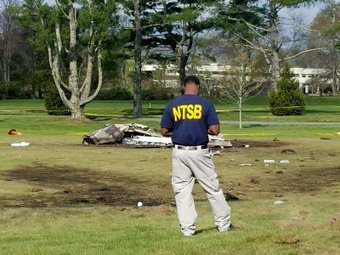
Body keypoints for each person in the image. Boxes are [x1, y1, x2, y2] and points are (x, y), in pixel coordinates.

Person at [160, 75, 231, 237]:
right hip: (199, 152)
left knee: (182, 191)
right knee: (212, 188)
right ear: (198, 86)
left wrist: (179, 129)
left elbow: (164, 131)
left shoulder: (172, 105)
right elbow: (215, 130)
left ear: (184, 87)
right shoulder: (205, 105)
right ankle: (224, 225)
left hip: (179, 152)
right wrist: (200, 127)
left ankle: (187, 230)